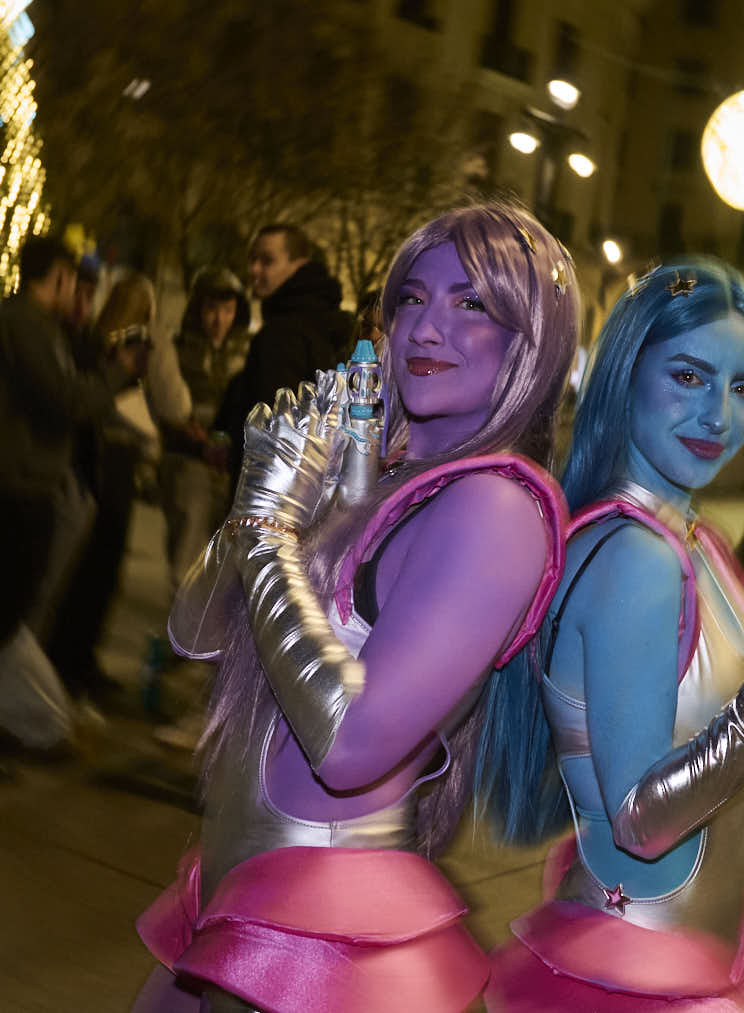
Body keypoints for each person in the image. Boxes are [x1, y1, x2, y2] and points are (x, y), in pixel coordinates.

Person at [130, 202, 579, 1012]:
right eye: (411, 297)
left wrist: (271, 527)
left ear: (531, 340)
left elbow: (348, 748)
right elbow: (194, 629)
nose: (424, 329)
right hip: (246, 896)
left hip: (324, 944)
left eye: (470, 304)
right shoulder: (386, 475)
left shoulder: (496, 509)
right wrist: (268, 502)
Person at [478, 260, 744, 1011]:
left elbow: (700, 674)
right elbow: (640, 818)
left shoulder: (678, 537)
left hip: (671, 946)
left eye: (743, 389)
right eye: (691, 377)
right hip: (640, 967)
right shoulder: (638, 558)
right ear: (626, 373)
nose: (719, 418)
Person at [0, 236, 146, 780]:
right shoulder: (23, 326)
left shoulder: (30, 326)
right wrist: (120, 371)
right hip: (9, 489)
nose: (76, 290)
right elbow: (68, 401)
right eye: (71, 279)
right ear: (53, 275)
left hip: (17, 485)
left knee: (1, 611)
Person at [48, 267, 176, 708]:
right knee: (94, 573)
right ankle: (73, 665)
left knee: (98, 574)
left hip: (109, 468)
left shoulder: (100, 347)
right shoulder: (110, 351)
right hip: (104, 470)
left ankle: (79, 662)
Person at [212, 224, 354, 481]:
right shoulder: (324, 322)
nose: (255, 269)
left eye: (267, 261)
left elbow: (273, 424)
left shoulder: (282, 334)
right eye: (253, 259)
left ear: (298, 264)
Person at [158, 268, 251, 589]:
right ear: (198, 309)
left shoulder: (246, 354)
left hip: (227, 464)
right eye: (212, 309)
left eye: (227, 310)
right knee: (188, 542)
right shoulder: (180, 350)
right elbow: (166, 403)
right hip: (187, 459)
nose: (219, 319)